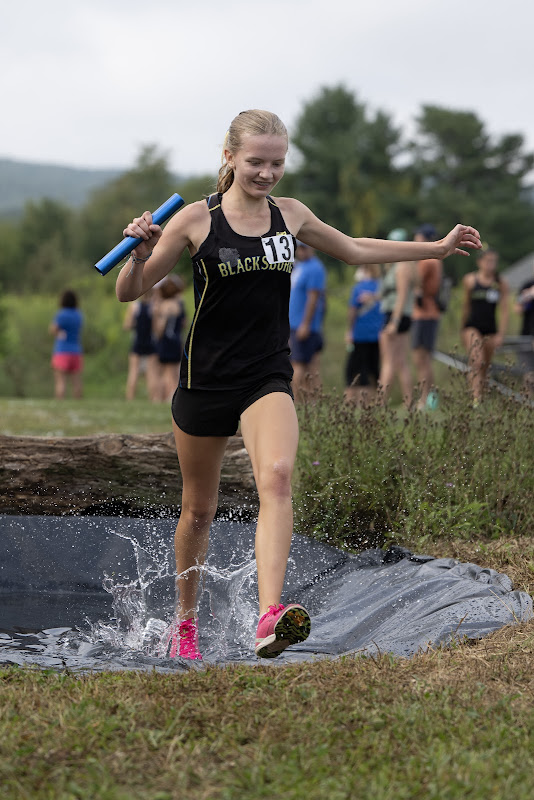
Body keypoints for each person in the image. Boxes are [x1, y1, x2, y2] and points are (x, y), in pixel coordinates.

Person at [115, 109, 481, 661]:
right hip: (205, 381)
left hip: (267, 374)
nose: (266, 173)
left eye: (277, 162)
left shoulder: (291, 215)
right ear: (230, 157)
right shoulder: (195, 220)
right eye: (256, 161)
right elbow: (130, 291)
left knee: (279, 478)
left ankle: (269, 616)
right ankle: (184, 624)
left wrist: (435, 249)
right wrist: (138, 255)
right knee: (198, 511)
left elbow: (354, 248)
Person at [461, 248, 509, 405]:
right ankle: (476, 399)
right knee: (476, 360)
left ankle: (483, 396)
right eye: (488, 261)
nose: (491, 265)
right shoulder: (470, 280)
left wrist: (501, 334)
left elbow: (504, 310)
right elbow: (466, 306)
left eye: (494, 261)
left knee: (486, 365)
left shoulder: (500, 283)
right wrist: (462, 328)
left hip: (490, 329)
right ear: (480, 262)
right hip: (472, 326)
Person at [378, 229, 416, 407]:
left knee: (389, 361)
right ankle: (408, 401)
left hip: (396, 316)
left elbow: (401, 297)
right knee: (400, 361)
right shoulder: (398, 266)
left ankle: (380, 402)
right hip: (399, 315)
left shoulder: (402, 266)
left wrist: (394, 322)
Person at [289, 241, 327, 401]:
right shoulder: (299, 266)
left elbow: (313, 298)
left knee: (299, 365)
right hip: (293, 324)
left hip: (303, 326)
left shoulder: (315, 268)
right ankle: (311, 403)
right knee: (308, 366)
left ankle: (296, 402)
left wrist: (305, 324)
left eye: (304, 248)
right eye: (299, 248)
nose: (301, 251)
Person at [411, 224, 443, 410]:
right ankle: (428, 398)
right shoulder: (436, 260)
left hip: (424, 314)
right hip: (429, 313)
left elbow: (415, 282)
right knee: (424, 359)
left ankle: (425, 400)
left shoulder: (427, 261)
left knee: (421, 359)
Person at [344, 264, 384, 407]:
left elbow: (352, 311)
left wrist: (349, 331)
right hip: (377, 336)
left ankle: (354, 403)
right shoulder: (381, 287)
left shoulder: (358, 288)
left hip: (360, 335)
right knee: (374, 370)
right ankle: (374, 403)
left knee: (354, 371)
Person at [152, 274, 187, 402]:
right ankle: (171, 395)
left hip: (166, 341)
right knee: (173, 371)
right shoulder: (178, 304)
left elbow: (160, 329)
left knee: (165, 370)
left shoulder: (165, 306)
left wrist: (155, 315)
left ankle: (169, 396)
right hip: (176, 340)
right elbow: (183, 323)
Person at [123, 288, 159, 401]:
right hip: (150, 341)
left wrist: (135, 324)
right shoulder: (154, 307)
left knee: (133, 371)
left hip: (137, 341)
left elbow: (126, 325)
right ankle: (153, 398)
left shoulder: (134, 306)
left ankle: (130, 398)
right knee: (151, 372)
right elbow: (156, 328)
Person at [49, 289, 83, 400]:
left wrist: (59, 333)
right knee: (76, 382)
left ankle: (60, 403)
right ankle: (78, 403)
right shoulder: (78, 315)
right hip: (76, 351)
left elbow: (52, 330)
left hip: (62, 350)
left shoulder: (61, 315)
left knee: (61, 381)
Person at [514, 262, 534, 395]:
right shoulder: (528, 285)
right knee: (529, 374)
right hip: (527, 335)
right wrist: (528, 296)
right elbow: (517, 309)